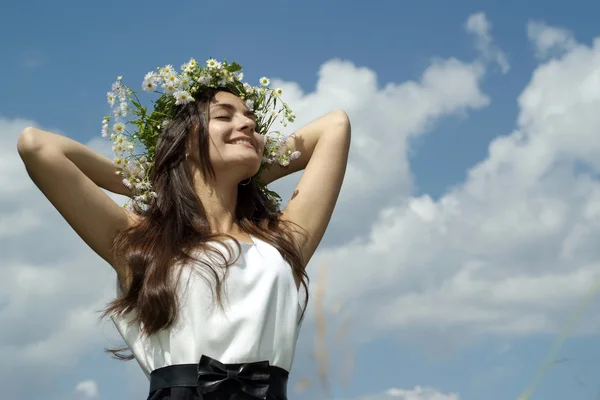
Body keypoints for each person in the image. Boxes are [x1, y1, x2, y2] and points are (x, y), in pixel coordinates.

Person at [16, 58, 350, 400]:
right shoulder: (141, 241)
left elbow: (335, 126)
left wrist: (247, 165)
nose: (248, 125)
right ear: (185, 142)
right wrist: (159, 173)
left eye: (252, 119)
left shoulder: (283, 239)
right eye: (224, 116)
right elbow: (37, 146)